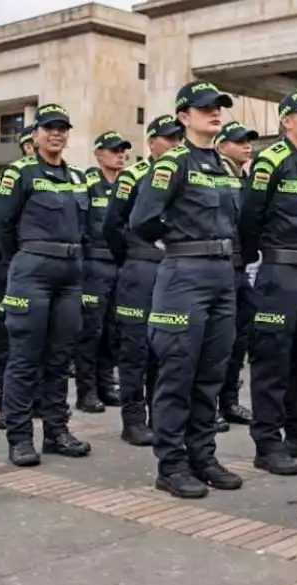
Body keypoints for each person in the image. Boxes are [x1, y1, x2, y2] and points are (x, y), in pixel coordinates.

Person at [129, 81, 243, 499]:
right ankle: (171, 465)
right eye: (206, 108)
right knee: (177, 372)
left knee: (211, 373)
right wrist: (179, 241)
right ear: (184, 116)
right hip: (183, 275)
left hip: (222, 276)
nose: (215, 113)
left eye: (219, 107)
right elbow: (142, 220)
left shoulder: (225, 167)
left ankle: (203, 456)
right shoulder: (172, 163)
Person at [239, 90, 297, 476]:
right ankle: (267, 442)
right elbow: (249, 218)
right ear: (286, 121)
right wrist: (255, 263)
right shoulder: (270, 162)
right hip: (279, 275)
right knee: (272, 358)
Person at [0, 103, 92, 466]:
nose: (56, 133)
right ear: (35, 135)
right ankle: (19, 438)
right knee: (24, 358)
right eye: (49, 128)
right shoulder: (18, 173)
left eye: (62, 128)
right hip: (32, 270)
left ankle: (56, 431)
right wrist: (21, 260)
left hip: (69, 274)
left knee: (59, 357)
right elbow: (1, 226)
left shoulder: (77, 177)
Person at [104, 115, 180, 447]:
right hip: (140, 269)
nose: (176, 144)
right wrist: (133, 257)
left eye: (179, 138)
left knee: (165, 348)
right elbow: (112, 225)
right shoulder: (133, 177)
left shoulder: (185, 173)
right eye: (169, 138)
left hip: (173, 270)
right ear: (152, 143)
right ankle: (133, 420)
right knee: (135, 347)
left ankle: (159, 415)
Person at [76, 130, 131, 412]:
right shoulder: (87, 183)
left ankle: (107, 385)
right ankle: (87, 392)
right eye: (114, 150)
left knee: (113, 330)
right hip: (93, 266)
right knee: (90, 330)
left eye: (123, 150)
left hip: (120, 264)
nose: (120, 155)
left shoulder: (128, 183)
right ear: (98, 154)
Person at [215, 120, 259, 429]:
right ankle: (209, 404)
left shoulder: (248, 177)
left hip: (244, 267)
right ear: (221, 145)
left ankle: (229, 400)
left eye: (249, 140)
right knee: (218, 341)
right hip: (221, 267)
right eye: (239, 140)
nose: (247, 145)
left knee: (239, 340)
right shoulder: (217, 175)